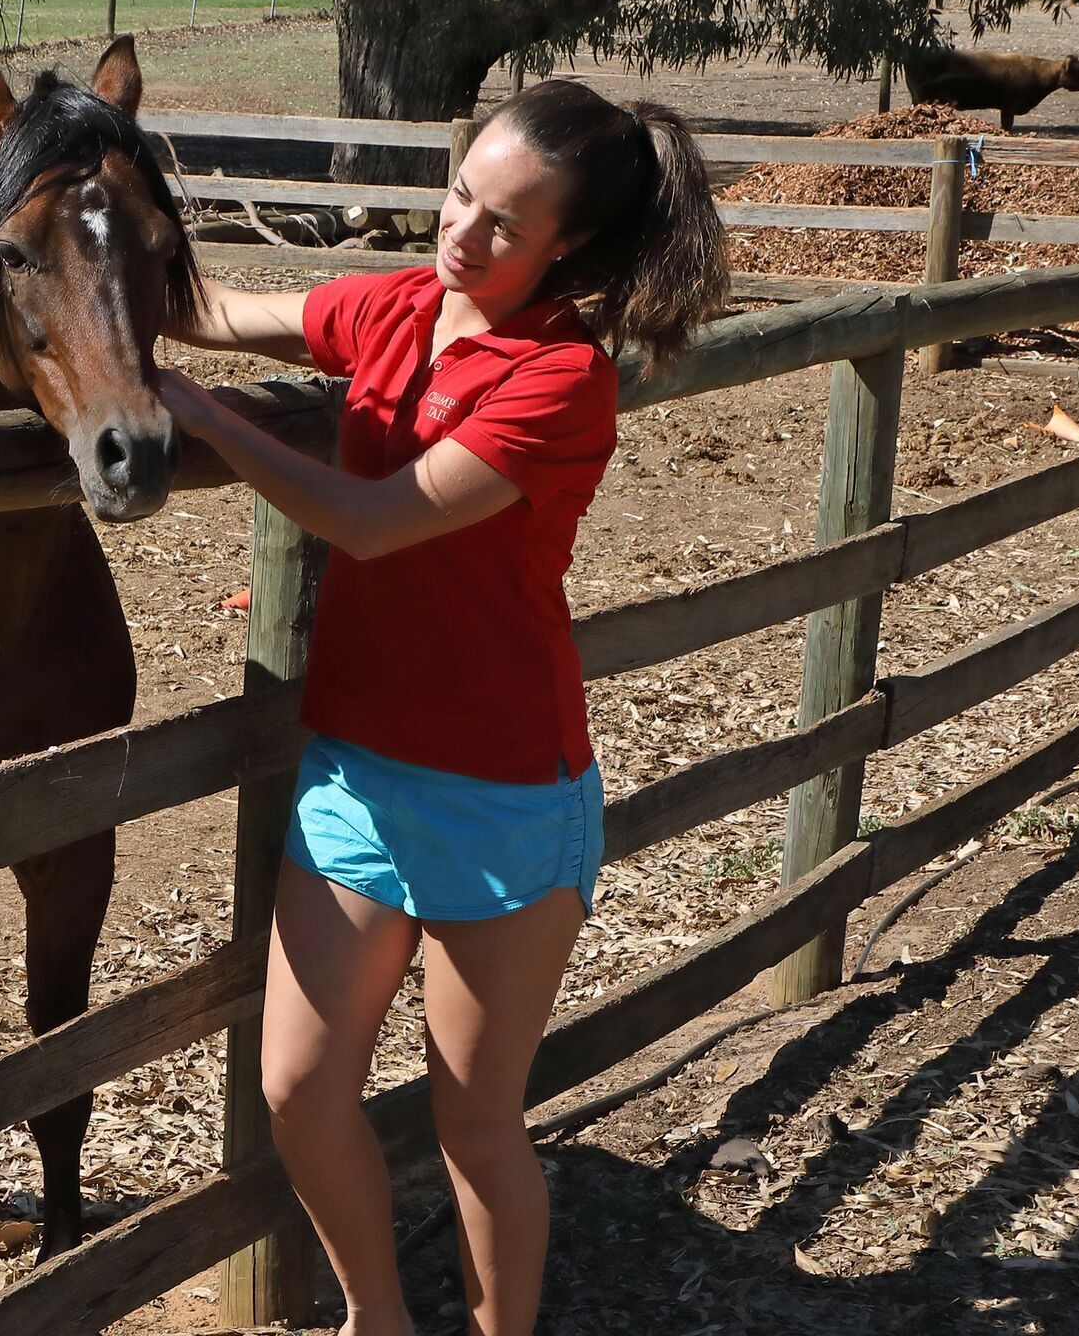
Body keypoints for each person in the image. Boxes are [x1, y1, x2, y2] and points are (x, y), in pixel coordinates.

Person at [156, 78, 730, 1336]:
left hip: (502, 791)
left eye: (504, 226)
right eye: (460, 195)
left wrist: (197, 416)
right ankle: (379, 1318)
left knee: (474, 1120)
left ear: (566, 246)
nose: (462, 237)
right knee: (300, 1086)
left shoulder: (560, 380)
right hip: (360, 770)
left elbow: (368, 524)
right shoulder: (396, 308)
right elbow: (212, 307)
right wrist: (97, 280)